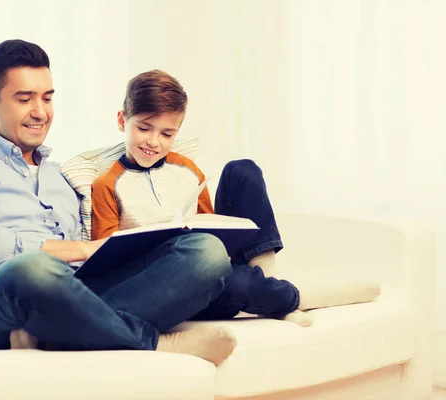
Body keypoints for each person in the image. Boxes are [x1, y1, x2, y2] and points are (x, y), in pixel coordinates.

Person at [0, 39, 239, 366]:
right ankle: (154, 343)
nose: (40, 112)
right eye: (24, 99)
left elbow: (97, 253)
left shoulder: (64, 175)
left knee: (205, 252)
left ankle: (61, 333)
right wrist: (81, 249)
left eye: (47, 98)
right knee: (30, 270)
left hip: (77, 293)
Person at [91, 70, 381, 326]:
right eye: (144, 128)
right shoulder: (107, 185)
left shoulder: (187, 169)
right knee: (234, 282)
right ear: (122, 120)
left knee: (242, 170)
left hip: (215, 262)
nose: (154, 142)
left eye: (167, 134)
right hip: (176, 286)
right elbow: (108, 259)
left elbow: (206, 222)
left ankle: (269, 285)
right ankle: (289, 298)